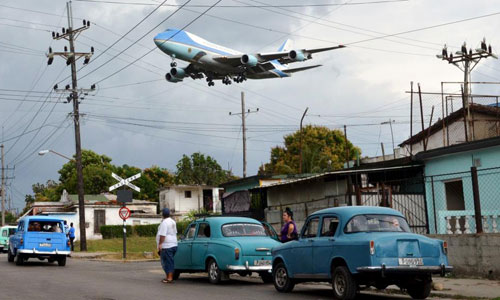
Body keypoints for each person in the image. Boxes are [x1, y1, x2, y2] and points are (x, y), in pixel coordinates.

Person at [156, 208, 178, 283]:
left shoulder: (164, 223)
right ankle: (168, 276)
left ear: (162, 214)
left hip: (167, 245)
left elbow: (162, 235)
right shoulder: (173, 221)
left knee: (166, 262)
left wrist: (160, 244)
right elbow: (175, 232)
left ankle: (169, 278)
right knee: (169, 261)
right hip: (174, 244)